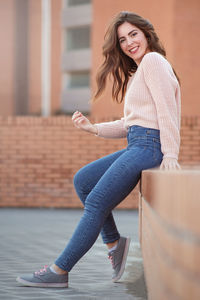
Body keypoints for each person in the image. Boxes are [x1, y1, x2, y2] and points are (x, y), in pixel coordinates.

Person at [16, 11, 181, 288]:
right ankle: (115, 244)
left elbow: (166, 113)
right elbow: (131, 124)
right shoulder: (140, 71)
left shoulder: (153, 61)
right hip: (138, 143)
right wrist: (93, 128)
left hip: (150, 146)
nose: (129, 42)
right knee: (83, 180)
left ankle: (59, 270)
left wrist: (171, 155)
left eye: (133, 34)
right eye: (122, 39)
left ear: (146, 34)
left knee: (96, 202)